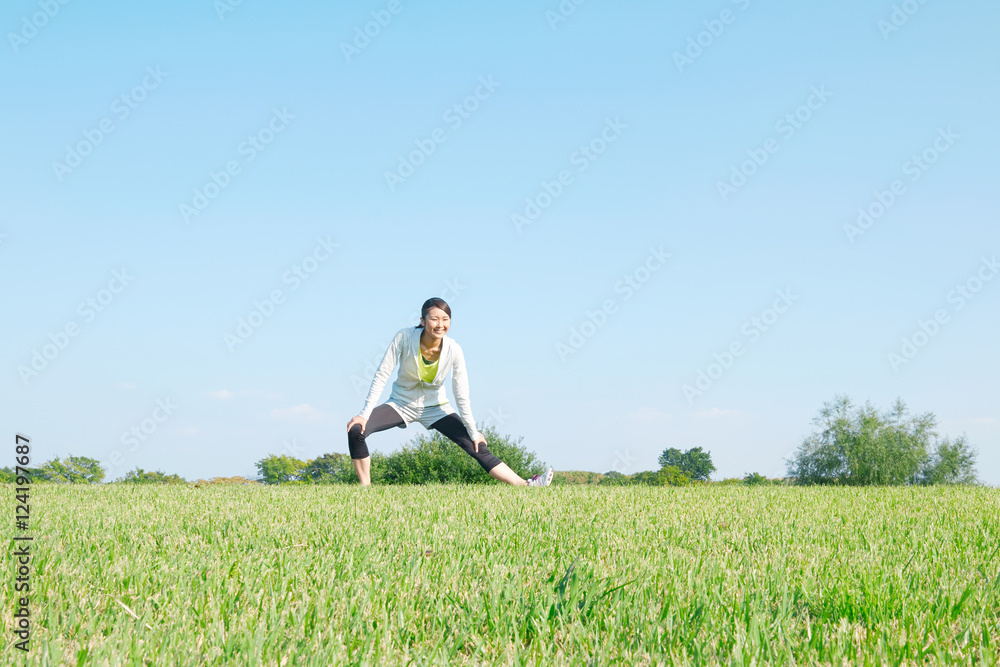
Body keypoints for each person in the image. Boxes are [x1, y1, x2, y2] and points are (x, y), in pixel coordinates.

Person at [346, 297, 554, 488]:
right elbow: (382, 374)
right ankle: (366, 489)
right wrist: (364, 414)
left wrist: (473, 430)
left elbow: (461, 393)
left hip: (436, 407)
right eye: (434, 319)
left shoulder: (454, 349)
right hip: (401, 404)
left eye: (445, 319)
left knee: (477, 445)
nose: (440, 324)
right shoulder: (404, 337)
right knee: (356, 430)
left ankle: (526, 485)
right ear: (423, 320)